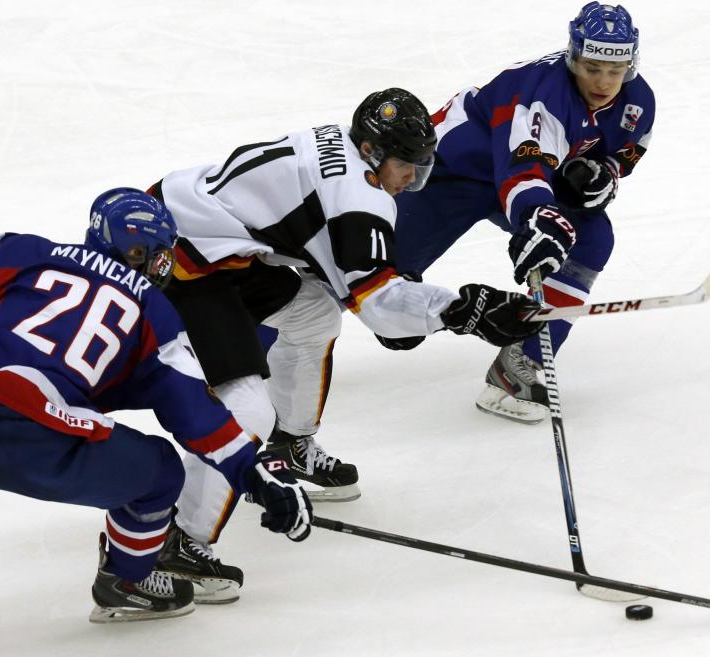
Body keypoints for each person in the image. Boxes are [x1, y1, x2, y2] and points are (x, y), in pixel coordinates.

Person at [146, 87, 545, 599]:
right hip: (179, 262)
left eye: (421, 166)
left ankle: (290, 447)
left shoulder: (346, 151)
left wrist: (446, 309)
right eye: (407, 167)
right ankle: (171, 544)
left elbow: (349, 281)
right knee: (245, 410)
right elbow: (381, 310)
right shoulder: (357, 202)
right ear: (372, 153)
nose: (411, 181)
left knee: (312, 313)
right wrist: (461, 309)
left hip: (220, 243)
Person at [0, 189, 312, 623]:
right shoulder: (153, 308)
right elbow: (197, 416)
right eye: (149, 254)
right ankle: (127, 581)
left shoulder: (33, 255)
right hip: (33, 437)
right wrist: (255, 477)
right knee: (160, 474)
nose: (152, 265)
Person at [393, 2, 655, 424]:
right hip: (448, 173)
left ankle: (519, 365)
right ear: (573, 56)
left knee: (591, 239)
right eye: (592, 67)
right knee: (366, 279)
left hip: (521, 179)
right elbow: (522, 167)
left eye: (615, 69)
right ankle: (258, 346)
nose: (604, 81)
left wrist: (601, 175)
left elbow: (619, 155)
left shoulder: (638, 101)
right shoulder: (543, 91)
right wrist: (538, 217)